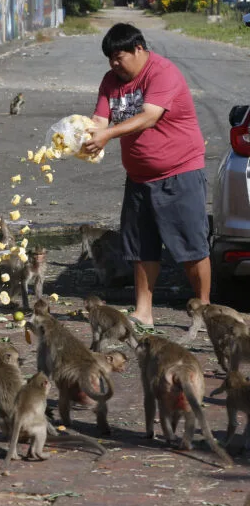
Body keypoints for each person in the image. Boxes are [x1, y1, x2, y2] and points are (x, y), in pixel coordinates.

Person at [82, 23, 210, 328]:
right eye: (109, 58)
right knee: (141, 247)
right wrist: (79, 138)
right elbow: (100, 119)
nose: (114, 63)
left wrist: (107, 135)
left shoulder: (161, 72)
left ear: (138, 49)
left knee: (191, 247)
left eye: (118, 56)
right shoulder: (110, 81)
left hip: (180, 171)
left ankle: (205, 310)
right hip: (138, 176)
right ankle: (143, 312)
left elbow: (150, 116)